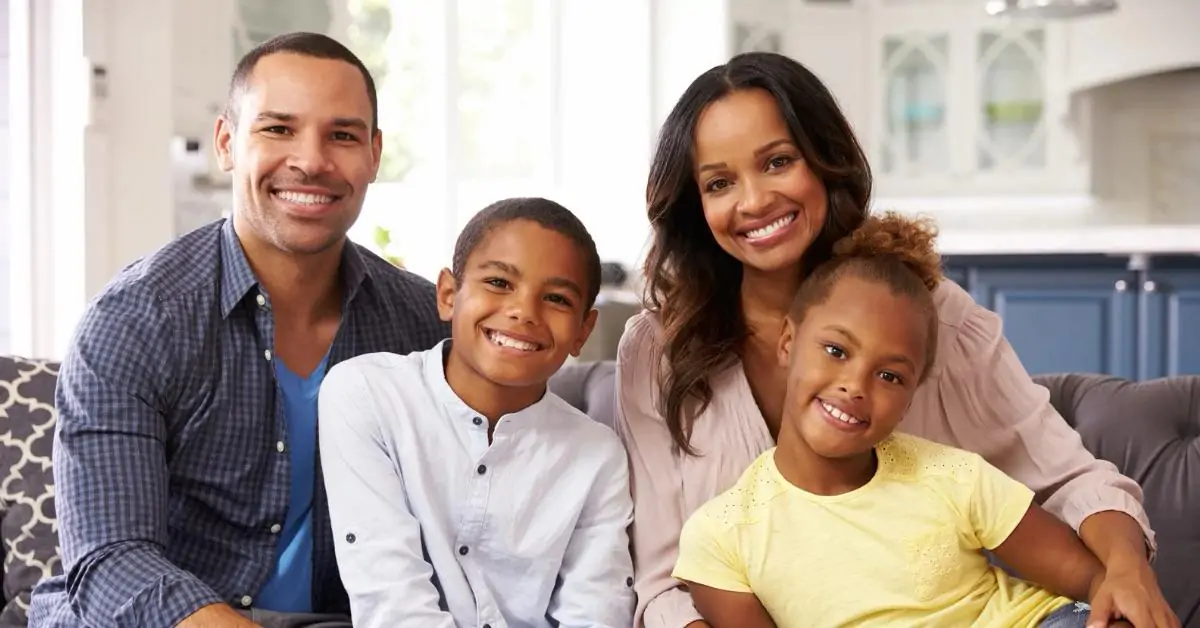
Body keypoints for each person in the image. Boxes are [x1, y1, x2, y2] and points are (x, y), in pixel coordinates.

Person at [616, 51, 1179, 628]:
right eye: (719, 182)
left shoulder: (931, 313)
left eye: (779, 161)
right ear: (696, 205)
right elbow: (663, 579)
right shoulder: (658, 350)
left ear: (824, 160)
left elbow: (1067, 478)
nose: (755, 200)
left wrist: (1124, 569)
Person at [28, 32, 448, 628]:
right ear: (228, 142)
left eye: (343, 135)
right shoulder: (134, 320)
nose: (311, 160)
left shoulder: (423, 324)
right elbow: (113, 559)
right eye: (278, 129)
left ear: (374, 155)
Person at [673, 212, 1116, 628]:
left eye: (889, 375)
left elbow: (1092, 581)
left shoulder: (954, 478)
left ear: (911, 394)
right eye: (836, 351)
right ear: (788, 342)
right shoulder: (720, 537)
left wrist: (1120, 592)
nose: (856, 385)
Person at [318, 198, 637, 628]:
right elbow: (392, 604)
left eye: (557, 298)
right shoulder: (367, 394)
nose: (524, 311)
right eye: (499, 283)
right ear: (449, 295)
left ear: (583, 331)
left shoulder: (598, 456)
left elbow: (597, 611)